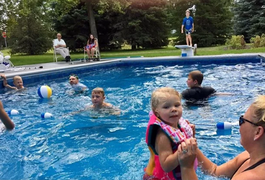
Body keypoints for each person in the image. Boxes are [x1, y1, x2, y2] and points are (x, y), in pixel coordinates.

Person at [178, 95, 265, 180]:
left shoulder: (254, 176)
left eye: (242, 120)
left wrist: (187, 167)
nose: (239, 125)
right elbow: (214, 171)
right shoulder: (248, 157)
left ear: (257, 132)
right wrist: (192, 145)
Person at [143, 87, 196, 180]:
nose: (173, 109)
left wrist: (192, 135)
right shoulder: (163, 136)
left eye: (177, 105)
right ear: (157, 113)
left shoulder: (178, 124)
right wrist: (182, 151)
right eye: (166, 107)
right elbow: (166, 166)